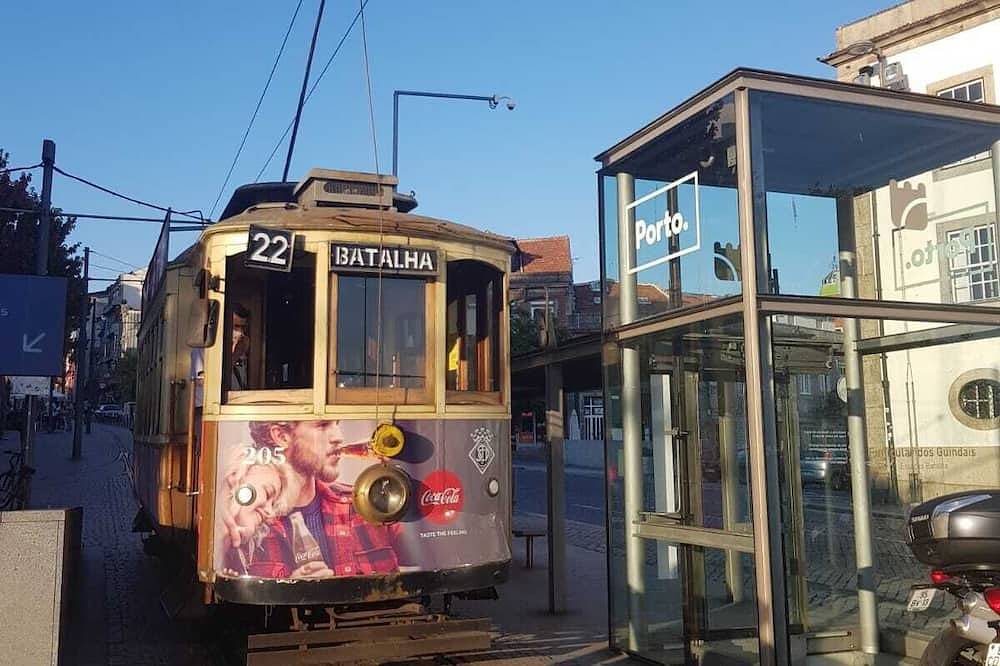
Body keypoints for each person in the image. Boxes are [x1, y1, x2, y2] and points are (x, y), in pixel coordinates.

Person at [238, 420, 400, 579]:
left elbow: (420, 551)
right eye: (322, 425)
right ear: (281, 436)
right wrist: (292, 590)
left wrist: (405, 473)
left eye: (337, 424)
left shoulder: (365, 503)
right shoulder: (246, 523)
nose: (339, 437)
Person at [230, 304, 251, 390]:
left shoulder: (242, 343)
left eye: (243, 327)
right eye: (236, 326)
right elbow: (204, 383)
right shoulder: (206, 348)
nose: (240, 332)